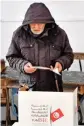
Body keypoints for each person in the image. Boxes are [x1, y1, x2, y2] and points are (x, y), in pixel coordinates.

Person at [6, 2, 74, 92]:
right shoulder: (19, 34)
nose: (36, 26)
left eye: (40, 23)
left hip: (53, 87)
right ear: (27, 22)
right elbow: (11, 57)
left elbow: (68, 55)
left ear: (47, 21)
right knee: (28, 106)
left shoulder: (59, 34)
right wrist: (23, 65)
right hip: (28, 88)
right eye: (33, 23)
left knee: (53, 106)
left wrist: (61, 63)